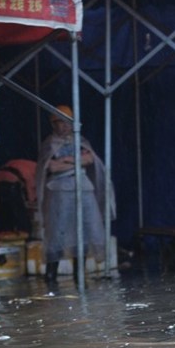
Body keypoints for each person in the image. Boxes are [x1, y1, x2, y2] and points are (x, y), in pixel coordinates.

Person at [35, 105, 115, 292]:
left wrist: (67, 161)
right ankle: (51, 274)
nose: (64, 126)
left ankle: (79, 273)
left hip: (83, 187)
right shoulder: (50, 143)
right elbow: (52, 167)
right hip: (59, 190)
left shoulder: (81, 141)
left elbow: (89, 159)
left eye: (67, 122)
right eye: (60, 122)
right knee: (58, 231)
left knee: (84, 229)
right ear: (54, 124)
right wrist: (77, 160)